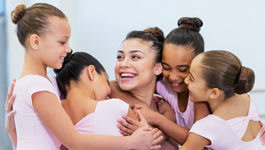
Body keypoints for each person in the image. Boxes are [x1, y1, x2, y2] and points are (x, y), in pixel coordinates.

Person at [5, 3, 162, 150]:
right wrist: (132, 142)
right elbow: (74, 141)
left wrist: (11, 129)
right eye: (62, 42)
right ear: (36, 42)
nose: (68, 48)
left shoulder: (46, 81)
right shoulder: (37, 85)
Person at [118, 17, 265, 147]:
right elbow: (115, 85)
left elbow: (195, 139)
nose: (173, 77)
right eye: (166, 67)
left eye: (183, 70)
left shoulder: (201, 97)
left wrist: (157, 118)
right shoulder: (163, 83)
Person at [55, 51, 155, 150]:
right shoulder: (114, 107)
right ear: (91, 72)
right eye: (107, 82)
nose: (109, 92)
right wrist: (146, 128)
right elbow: (153, 145)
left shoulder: (53, 117)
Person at [180, 50, 265, 149]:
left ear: (214, 93)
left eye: (191, 78)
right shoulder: (245, 96)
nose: (185, 80)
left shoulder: (207, 127)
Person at [109, 27, 177, 149]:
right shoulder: (109, 104)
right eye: (120, 57)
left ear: (158, 68)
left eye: (135, 57)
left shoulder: (164, 109)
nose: (123, 64)